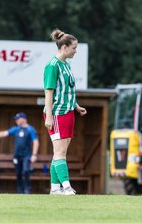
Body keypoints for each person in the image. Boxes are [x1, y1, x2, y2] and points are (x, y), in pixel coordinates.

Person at [43, 29, 87, 195]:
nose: (76, 51)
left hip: (68, 112)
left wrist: (76, 106)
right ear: (64, 47)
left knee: (60, 153)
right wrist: (49, 116)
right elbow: (49, 92)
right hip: (57, 113)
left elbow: (67, 90)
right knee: (60, 152)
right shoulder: (52, 66)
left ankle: (55, 188)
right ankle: (66, 186)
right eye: (74, 48)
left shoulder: (66, 65)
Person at [0, 112, 39, 194]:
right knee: (18, 173)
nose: (16, 121)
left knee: (26, 171)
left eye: (17, 119)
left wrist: (34, 155)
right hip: (17, 156)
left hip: (26, 155)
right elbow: (4, 133)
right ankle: (20, 191)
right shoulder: (16, 129)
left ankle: (27, 190)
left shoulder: (30, 129)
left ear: (23, 119)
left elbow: (35, 141)